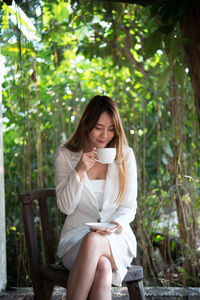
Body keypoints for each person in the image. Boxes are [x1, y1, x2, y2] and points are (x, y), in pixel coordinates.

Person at [55, 95, 137, 300]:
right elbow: (65, 207)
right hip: (76, 239)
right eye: (99, 127)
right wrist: (80, 170)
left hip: (117, 237)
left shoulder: (125, 156)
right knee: (103, 268)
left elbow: (129, 206)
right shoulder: (66, 155)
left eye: (111, 129)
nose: (105, 135)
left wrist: (115, 224)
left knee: (95, 240)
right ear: (87, 124)